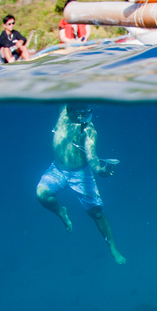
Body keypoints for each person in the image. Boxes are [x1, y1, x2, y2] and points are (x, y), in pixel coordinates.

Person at [36, 104, 126, 264]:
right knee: (42, 195)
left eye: (86, 113)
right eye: (79, 113)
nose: (82, 117)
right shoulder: (62, 110)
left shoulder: (89, 131)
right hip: (58, 169)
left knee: (96, 213)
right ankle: (61, 213)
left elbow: (91, 156)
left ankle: (112, 247)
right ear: (70, 109)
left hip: (81, 174)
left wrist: (100, 170)